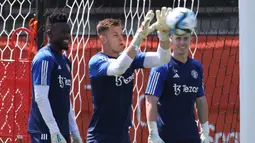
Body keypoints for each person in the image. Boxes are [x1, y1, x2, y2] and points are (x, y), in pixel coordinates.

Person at [87, 7, 172, 143]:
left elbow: (163, 59)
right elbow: (119, 67)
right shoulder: (96, 61)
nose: (121, 38)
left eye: (121, 34)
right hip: (100, 137)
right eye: (115, 35)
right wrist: (139, 38)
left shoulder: (129, 58)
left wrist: (163, 34)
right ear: (103, 39)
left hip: (123, 136)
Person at [145, 25, 209, 143]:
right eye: (178, 38)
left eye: (185, 38)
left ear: (191, 39)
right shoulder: (161, 67)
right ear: (170, 38)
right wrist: (153, 133)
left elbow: (201, 100)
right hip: (165, 137)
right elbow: (150, 100)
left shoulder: (197, 67)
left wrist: (205, 132)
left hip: (191, 136)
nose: (182, 42)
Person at [27, 12, 83, 143]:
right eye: (63, 32)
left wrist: (74, 131)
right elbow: (40, 98)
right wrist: (53, 130)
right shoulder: (44, 58)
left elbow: (65, 98)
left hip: (61, 131)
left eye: (68, 32)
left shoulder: (65, 61)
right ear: (50, 33)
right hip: (45, 132)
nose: (67, 36)